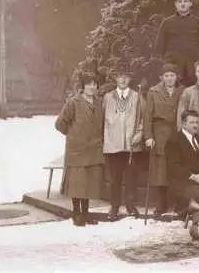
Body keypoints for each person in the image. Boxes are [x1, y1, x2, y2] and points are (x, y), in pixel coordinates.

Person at [55, 72, 104, 227]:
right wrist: (74, 136)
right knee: (77, 183)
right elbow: (60, 124)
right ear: (82, 86)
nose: (92, 87)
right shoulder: (73, 103)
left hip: (93, 149)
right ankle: (77, 214)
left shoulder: (98, 102)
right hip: (77, 150)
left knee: (89, 182)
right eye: (88, 84)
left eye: (94, 84)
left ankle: (86, 213)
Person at [103, 60, 144, 221]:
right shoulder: (107, 97)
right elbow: (101, 120)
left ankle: (130, 204)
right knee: (115, 178)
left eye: (126, 77)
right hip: (113, 144)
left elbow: (143, 117)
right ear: (115, 79)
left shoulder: (137, 96)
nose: (123, 80)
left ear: (130, 79)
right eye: (120, 77)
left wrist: (140, 133)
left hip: (131, 145)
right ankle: (114, 206)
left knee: (131, 176)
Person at [143, 63, 185, 218]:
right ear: (162, 77)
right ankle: (160, 204)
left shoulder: (183, 91)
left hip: (176, 132)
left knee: (175, 167)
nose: (169, 78)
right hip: (159, 133)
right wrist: (148, 136)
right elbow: (147, 116)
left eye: (172, 75)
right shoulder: (153, 91)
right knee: (159, 169)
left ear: (176, 77)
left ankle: (175, 203)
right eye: (166, 75)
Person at [153, 0, 199, 86]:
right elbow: (159, 45)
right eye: (180, 1)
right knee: (174, 93)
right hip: (173, 65)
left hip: (193, 65)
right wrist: (166, 63)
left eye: (186, 1)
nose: (183, 4)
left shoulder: (198, 22)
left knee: (192, 93)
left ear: (190, 4)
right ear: (175, 4)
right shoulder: (167, 22)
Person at [165, 110, 199, 213]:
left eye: (197, 122)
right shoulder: (174, 140)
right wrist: (193, 176)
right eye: (192, 123)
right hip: (182, 181)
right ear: (183, 124)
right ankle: (184, 211)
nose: (195, 125)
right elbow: (173, 167)